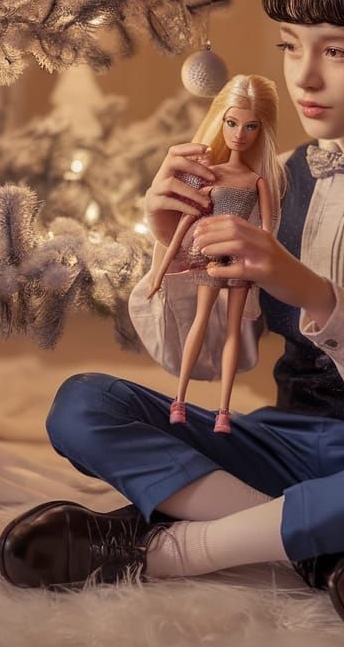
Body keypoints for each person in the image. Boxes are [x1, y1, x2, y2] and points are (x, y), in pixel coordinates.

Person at [0, 0, 344, 627]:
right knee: (83, 404)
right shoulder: (278, 179)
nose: (304, 76)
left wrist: (306, 287)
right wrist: (169, 245)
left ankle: (170, 550)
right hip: (282, 443)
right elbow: (199, 362)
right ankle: (327, 552)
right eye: (291, 47)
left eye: (338, 51)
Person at [145, 75, 283, 434]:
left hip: (238, 261)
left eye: (250, 126)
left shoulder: (258, 182)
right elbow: (183, 224)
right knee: (200, 322)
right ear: (221, 122)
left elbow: (267, 231)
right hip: (207, 257)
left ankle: (223, 411)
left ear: (261, 131)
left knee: (233, 329)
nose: (239, 134)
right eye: (232, 123)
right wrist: (160, 273)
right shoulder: (210, 175)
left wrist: (265, 266)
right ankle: (180, 399)